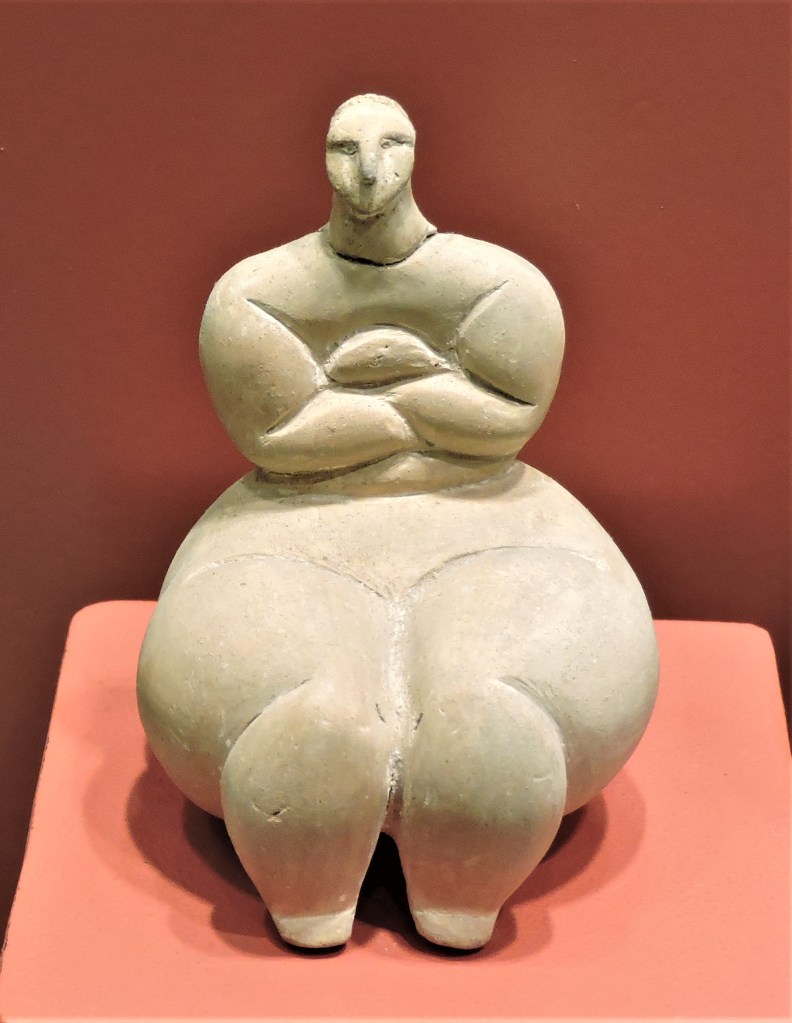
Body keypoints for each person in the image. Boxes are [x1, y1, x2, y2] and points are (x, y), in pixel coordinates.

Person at [138, 94, 658, 950]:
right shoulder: (256, 296)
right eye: (347, 149)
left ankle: (471, 790)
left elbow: (504, 418)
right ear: (325, 158)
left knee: (490, 699)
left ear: (414, 152)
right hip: (294, 520)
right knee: (306, 703)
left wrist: (354, 398)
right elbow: (278, 437)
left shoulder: (502, 286)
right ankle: (318, 778)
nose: (369, 170)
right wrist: (428, 398)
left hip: (491, 514)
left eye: (390, 145)